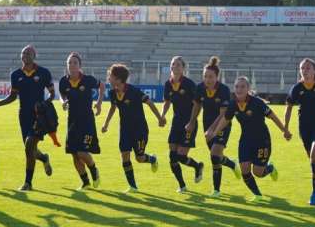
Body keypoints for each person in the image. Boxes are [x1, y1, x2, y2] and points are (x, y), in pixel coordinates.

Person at [207, 76, 291, 201]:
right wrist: (215, 132)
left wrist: (285, 130)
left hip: (262, 140)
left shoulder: (257, 103)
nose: (239, 89)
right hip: (245, 140)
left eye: (242, 86)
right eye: (236, 87)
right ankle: (257, 195)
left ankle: (270, 168)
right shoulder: (233, 104)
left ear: (248, 89)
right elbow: (225, 119)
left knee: (258, 172)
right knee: (244, 169)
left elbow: (272, 116)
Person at [0, 45, 55, 191]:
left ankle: (28, 183)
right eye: (23, 52)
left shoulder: (44, 73)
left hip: (39, 116)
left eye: (28, 53)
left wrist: (44, 104)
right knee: (29, 149)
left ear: (34, 56)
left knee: (29, 144)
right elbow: (13, 96)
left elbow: (52, 94)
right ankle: (44, 158)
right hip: (23, 116)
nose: (25, 55)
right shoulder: (15, 74)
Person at [102, 64, 165, 192]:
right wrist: (106, 124)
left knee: (139, 158)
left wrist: (159, 118)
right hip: (125, 130)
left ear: (119, 79)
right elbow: (113, 108)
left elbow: (149, 103)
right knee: (125, 155)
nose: (108, 78)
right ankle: (133, 186)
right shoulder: (112, 93)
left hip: (139, 130)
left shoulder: (134, 91)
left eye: (111, 76)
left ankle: (152, 159)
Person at [187, 56, 241, 197]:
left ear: (217, 77)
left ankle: (216, 190)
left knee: (214, 155)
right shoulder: (200, 88)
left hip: (223, 123)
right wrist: (192, 121)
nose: (208, 79)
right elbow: (197, 106)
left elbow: (223, 114)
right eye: (205, 76)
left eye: (211, 77)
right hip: (207, 124)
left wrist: (212, 129)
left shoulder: (223, 90)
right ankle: (232, 164)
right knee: (217, 156)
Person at [284, 58, 315, 205]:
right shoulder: (297, 88)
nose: (305, 71)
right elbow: (289, 107)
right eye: (302, 68)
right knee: (312, 159)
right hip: (304, 126)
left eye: (308, 68)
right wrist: (286, 127)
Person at [58, 52, 104, 190]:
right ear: (67, 66)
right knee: (74, 153)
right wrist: (63, 101)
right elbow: (62, 94)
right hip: (72, 121)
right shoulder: (63, 81)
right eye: (69, 63)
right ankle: (85, 183)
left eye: (75, 63)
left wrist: (99, 102)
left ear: (80, 66)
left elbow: (102, 86)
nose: (72, 65)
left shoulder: (88, 80)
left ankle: (94, 169)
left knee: (82, 151)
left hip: (87, 121)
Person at [161, 56, 204, 193]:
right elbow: (167, 102)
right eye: (173, 64)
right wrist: (162, 116)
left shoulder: (189, 84)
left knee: (180, 156)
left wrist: (192, 122)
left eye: (179, 65)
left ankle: (197, 166)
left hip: (189, 122)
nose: (175, 66)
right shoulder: (168, 84)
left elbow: (198, 104)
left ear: (183, 68)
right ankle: (182, 185)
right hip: (176, 122)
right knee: (172, 156)